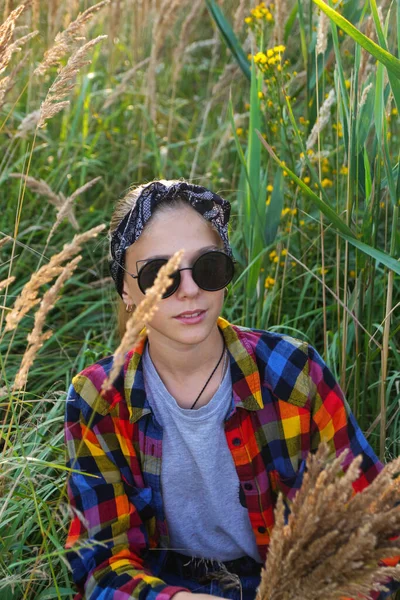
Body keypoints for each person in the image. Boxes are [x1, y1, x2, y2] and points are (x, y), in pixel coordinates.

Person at [64, 179, 397, 600]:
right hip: (162, 587)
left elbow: (374, 525)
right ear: (127, 290)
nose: (189, 290)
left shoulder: (293, 372)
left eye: (208, 267)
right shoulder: (97, 400)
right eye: (158, 274)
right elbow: (101, 561)